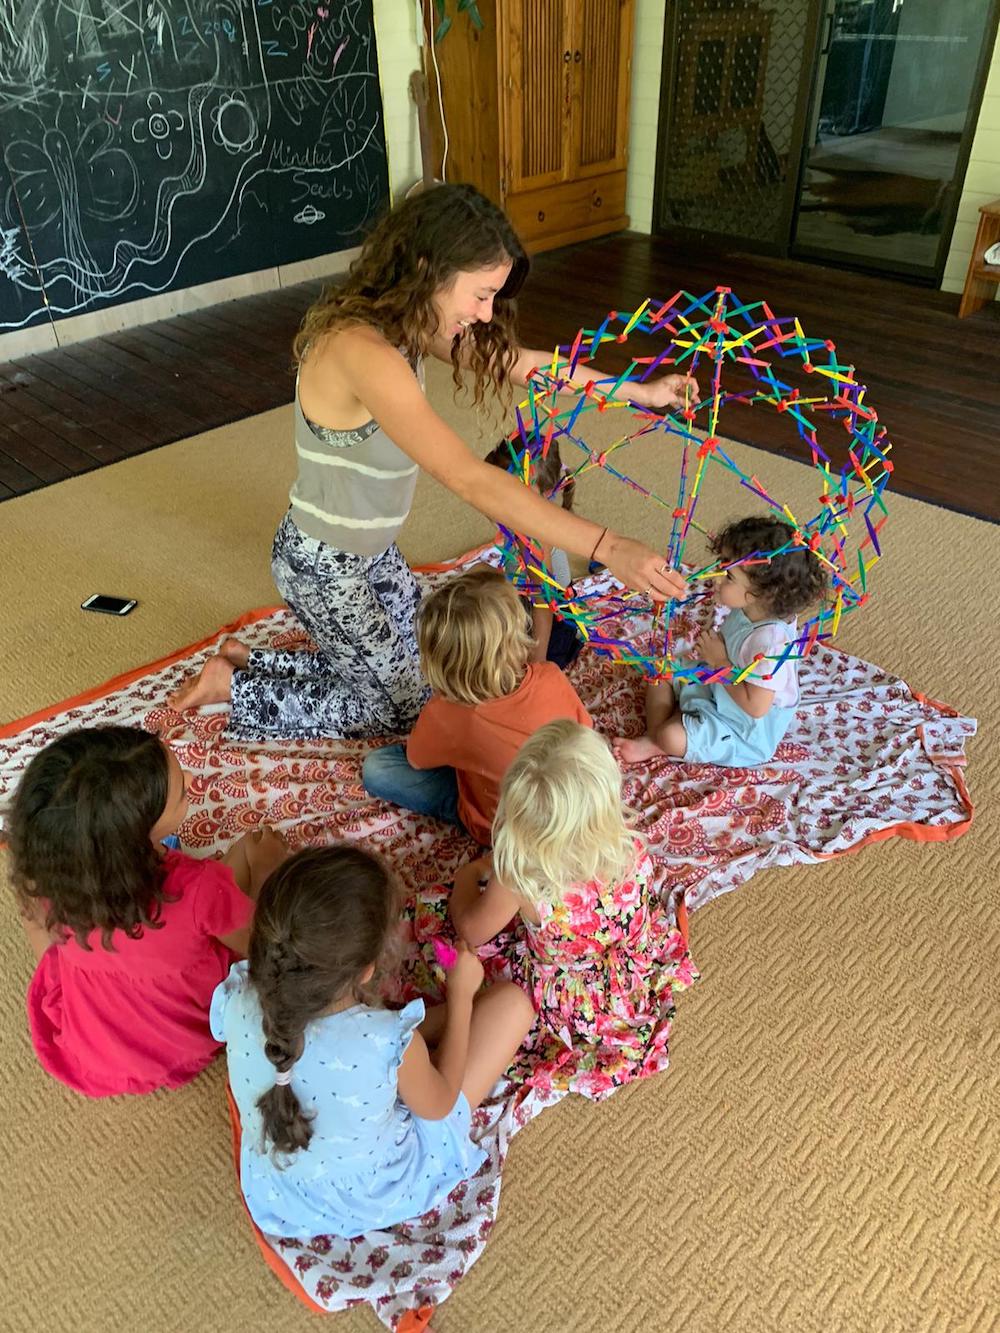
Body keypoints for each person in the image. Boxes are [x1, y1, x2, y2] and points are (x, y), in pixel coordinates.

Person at [168, 184, 691, 739]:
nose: (487, 314)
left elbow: (524, 364)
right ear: (428, 269)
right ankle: (236, 687)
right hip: (324, 567)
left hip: (373, 552)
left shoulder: (407, 326)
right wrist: (610, 547)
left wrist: (644, 393)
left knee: (435, 663)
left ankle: (248, 659)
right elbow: (466, 476)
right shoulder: (360, 350)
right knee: (404, 712)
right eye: (481, 294)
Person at [211, 845, 533, 1239]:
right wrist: (461, 997)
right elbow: (440, 1103)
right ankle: (464, 1002)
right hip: (378, 1193)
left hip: (279, 1194)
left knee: (433, 1033)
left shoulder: (237, 998)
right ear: (367, 971)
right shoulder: (385, 1042)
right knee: (514, 1005)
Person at [6, 725, 288, 1097]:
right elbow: (262, 945)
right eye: (182, 794)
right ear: (136, 838)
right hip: (179, 1046)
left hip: (88, 1051)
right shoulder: (198, 887)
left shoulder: (52, 877)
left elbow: (37, 927)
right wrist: (271, 871)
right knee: (252, 858)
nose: (191, 779)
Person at [448, 720, 697, 1099]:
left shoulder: (520, 879)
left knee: (450, 948)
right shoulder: (628, 845)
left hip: (565, 996)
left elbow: (471, 929)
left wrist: (467, 878)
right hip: (627, 973)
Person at [361, 564, 592, 844]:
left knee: (377, 767)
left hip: (502, 831)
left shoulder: (446, 711)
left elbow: (416, 760)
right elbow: (585, 732)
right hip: (570, 809)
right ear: (518, 635)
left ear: (437, 663)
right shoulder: (550, 675)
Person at [617, 515, 830, 767]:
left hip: (743, 728)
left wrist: (719, 661)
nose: (716, 578)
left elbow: (756, 707)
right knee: (659, 668)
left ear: (759, 594)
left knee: (670, 736)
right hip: (718, 688)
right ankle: (656, 735)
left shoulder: (771, 642)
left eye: (728, 576)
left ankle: (659, 740)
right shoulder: (747, 607)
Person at [483, 436, 582, 668]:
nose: (507, 502)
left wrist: (537, 662)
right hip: (521, 603)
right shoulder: (513, 512)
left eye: (519, 495)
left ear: (546, 494)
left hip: (551, 618)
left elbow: (544, 601)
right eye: (504, 490)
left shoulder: (538, 535)